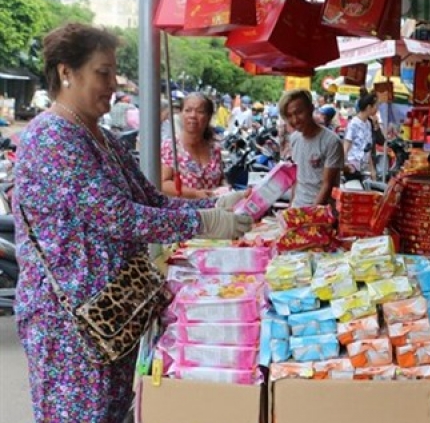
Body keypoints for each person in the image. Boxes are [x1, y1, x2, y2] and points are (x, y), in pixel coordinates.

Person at [13, 23, 253, 421]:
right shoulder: (52, 137)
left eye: (113, 72)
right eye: (101, 72)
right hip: (70, 320)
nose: (111, 83)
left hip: (115, 310)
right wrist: (205, 223)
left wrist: (216, 207)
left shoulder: (101, 135)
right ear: (66, 73)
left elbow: (151, 201)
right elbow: (117, 216)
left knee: (110, 411)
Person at [280, 89, 343, 207]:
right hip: (297, 209)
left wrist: (310, 216)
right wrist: (290, 209)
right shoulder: (294, 138)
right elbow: (297, 179)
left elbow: (327, 185)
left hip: (320, 213)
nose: (295, 120)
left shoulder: (331, 141)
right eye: (289, 116)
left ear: (311, 108)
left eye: (299, 112)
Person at [161, 93, 225, 198]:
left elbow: (221, 178)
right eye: (188, 110)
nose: (193, 115)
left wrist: (225, 188)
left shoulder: (214, 149)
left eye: (200, 111)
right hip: (183, 212)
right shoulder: (170, 147)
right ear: (181, 114)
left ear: (208, 117)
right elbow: (163, 183)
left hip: (213, 211)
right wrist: (194, 193)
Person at [344, 92, 378, 177]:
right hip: (352, 168)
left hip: (363, 169)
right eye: (375, 106)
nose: (377, 109)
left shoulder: (368, 123)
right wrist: (345, 165)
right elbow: (346, 146)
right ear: (369, 107)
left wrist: (372, 170)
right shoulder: (353, 123)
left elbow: (367, 148)